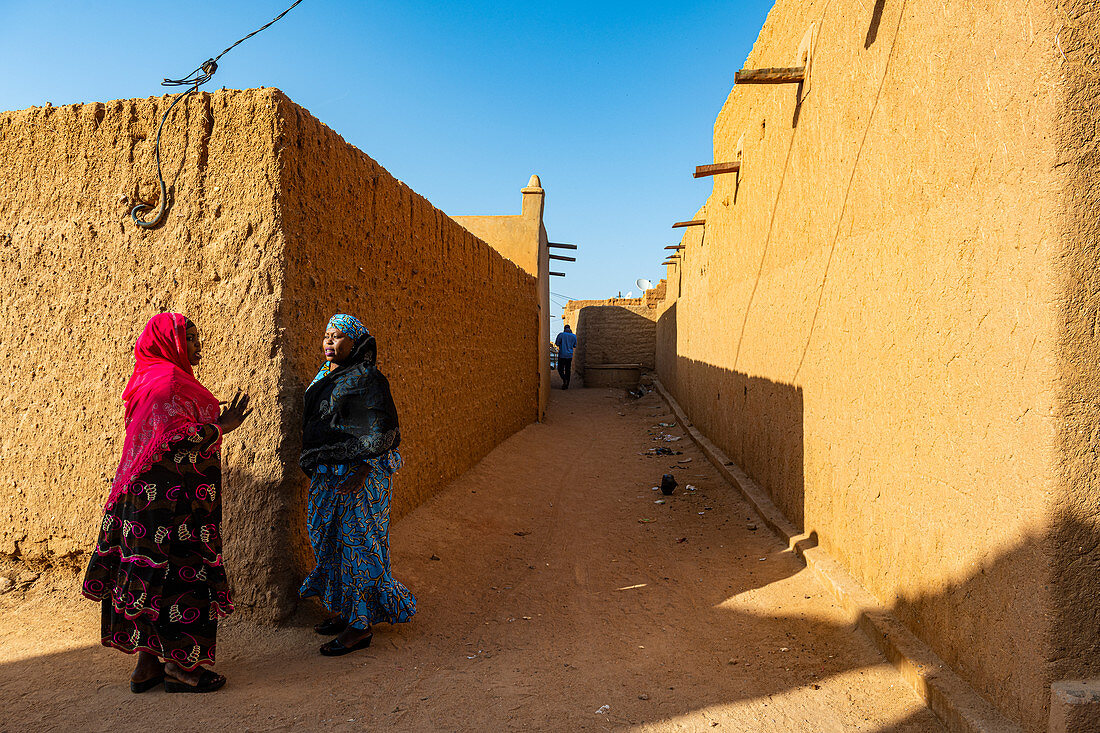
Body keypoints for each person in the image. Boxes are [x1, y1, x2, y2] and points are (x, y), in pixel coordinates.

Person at [82, 313, 252, 693]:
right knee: (180, 575)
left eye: (196, 337)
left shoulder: (146, 380)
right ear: (170, 343)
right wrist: (222, 426)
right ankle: (182, 669)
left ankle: (147, 667)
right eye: (189, 338)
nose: (197, 345)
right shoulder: (169, 384)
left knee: (151, 576)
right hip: (170, 507)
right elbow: (176, 439)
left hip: (142, 503)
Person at [300, 314, 417, 656]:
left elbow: (384, 432)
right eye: (326, 336)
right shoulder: (325, 376)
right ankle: (345, 611)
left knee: (358, 550)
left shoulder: (369, 379)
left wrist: (363, 469)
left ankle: (360, 626)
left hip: (361, 480)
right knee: (328, 542)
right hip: (329, 476)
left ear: (356, 343)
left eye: (337, 337)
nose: (329, 342)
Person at [555, 324, 578, 389]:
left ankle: (564, 379)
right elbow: (574, 345)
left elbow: (557, 343)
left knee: (560, 369)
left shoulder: (561, 335)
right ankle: (567, 384)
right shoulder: (574, 336)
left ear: (564, 329)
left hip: (562, 355)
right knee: (568, 369)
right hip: (569, 355)